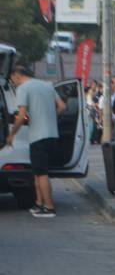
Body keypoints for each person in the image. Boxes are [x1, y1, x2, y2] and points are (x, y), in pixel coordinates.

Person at [6, 65, 66, 217]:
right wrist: (50, 117)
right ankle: (39, 204)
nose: (13, 83)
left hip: (38, 137)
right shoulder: (47, 85)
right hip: (52, 135)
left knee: (42, 173)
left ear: (17, 75)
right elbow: (62, 106)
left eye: (13, 79)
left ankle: (49, 207)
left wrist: (12, 134)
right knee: (37, 173)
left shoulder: (23, 88)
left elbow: (20, 116)